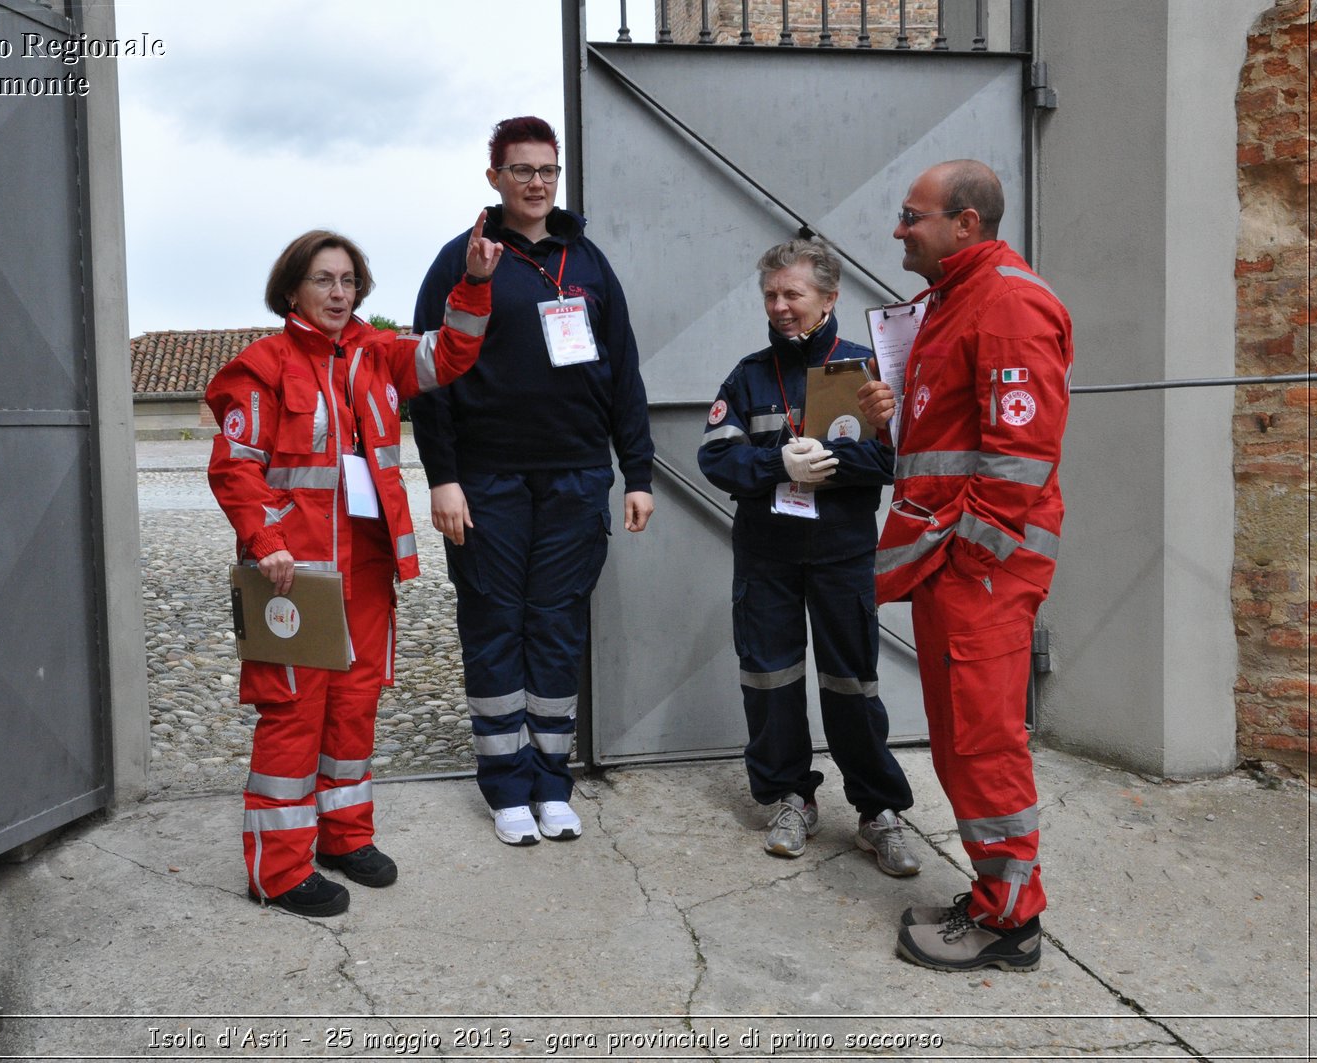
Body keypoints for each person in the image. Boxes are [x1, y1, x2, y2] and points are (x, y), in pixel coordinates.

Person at [206, 218, 501, 916]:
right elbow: (234, 469)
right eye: (323, 280)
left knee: (353, 708)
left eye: (348, 280)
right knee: (293, 713)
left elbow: (450, 354)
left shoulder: (377, 353)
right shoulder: (262, 366)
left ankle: (343, 836)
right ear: (293, 290)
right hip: (293, 576)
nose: (339, 293)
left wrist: (477, 282)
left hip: (367, 571)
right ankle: (276, 871)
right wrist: (265, 539)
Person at [409, 116, 655, 847]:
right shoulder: (463, 260)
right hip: (488, 483)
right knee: (493, 627)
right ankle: (506, 788)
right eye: (522, 171)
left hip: (577, 479)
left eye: (547, 171)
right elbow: (431, 379)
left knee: (555, 629)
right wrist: (444, 478)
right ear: (494, 178)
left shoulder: (588, 262)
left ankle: (552, 782)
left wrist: (634, 472)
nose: (537, 183)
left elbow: (624, 373)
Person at [856, 160, 1073, 972]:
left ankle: (1012, 922)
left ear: (966, 224)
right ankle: (993, 893)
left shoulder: (1010, 303)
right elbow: (946, 439)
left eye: (912, 216)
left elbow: (1020, 458)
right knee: (957, 741)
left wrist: (971, 557)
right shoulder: (947, 304)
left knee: (983, 744)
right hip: (953, 560)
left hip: (978, 568)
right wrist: (887, 419)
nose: (898, 229)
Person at [696, 237, 919, 875]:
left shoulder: (864, 371)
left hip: (842, 554)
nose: (780, 307)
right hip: (766, 554)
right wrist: (776, 462)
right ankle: (789, 797)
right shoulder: (747, 375)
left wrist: (832, 463)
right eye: (771, 295)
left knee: (852, 682)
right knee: (769, 679)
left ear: (828, 295)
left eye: (793, 294)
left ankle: (878, 811)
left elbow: (893, 457)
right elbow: (716, 455)